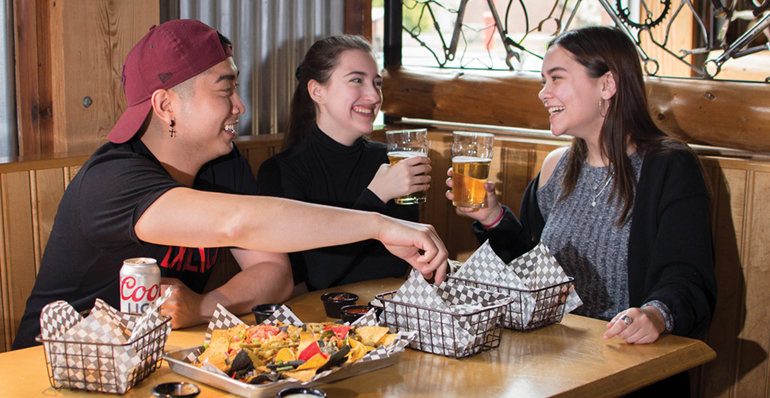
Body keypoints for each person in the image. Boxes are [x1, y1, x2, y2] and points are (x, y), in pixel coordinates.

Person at [13, 20, 447, 350]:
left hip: (155, 357)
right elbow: (237, 224)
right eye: (226, 90)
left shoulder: (224, 165)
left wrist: (204, 305)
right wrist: (378, 223)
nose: (240, 106)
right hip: (57, 363)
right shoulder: (112, 178)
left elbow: (274, 274)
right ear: (166, 106)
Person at [446, 26, 717, 346]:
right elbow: (532, 276)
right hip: (549, 356)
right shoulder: (555, 167)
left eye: (556, 78)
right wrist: (493, 219)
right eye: (543, 81)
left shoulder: (669, 166)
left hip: (627, 361)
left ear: (608, 84)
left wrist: (656, 314)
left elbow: (687, 278)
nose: (543, 93)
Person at [256, 35, 431, 293]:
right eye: (356, 80)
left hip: (390, 309)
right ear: (317, 91)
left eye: (377, 83)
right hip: (318, 321)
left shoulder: (390, 162)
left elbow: (397, 265)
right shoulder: (280, 172)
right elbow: (316, 276)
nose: (374, 96)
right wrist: (376, 196)